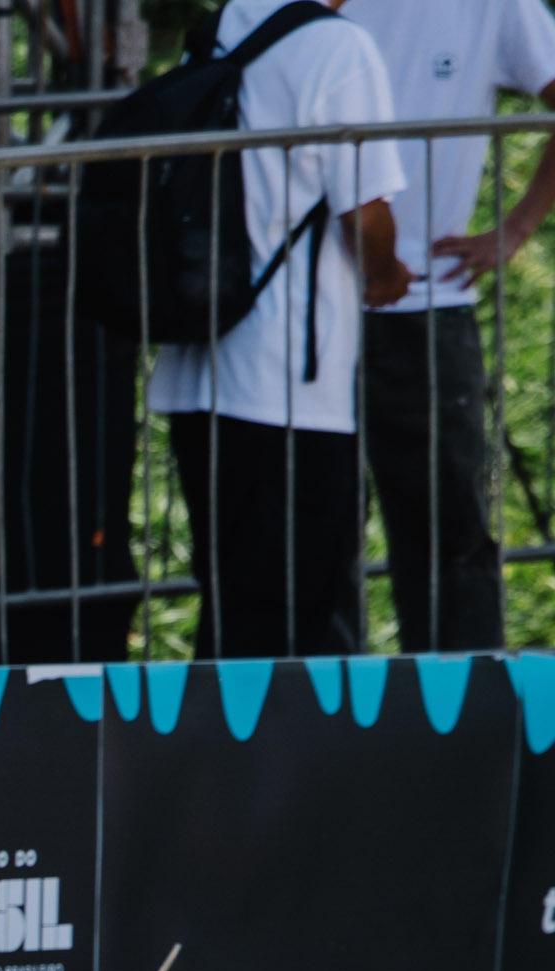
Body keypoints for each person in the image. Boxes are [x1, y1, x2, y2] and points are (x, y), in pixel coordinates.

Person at [147, 0, 408, 661]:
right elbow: (366, 210)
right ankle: (268, 764)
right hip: (290, 382)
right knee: (295, 616)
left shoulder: (220, 30)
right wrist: (385, 275)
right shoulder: (338, 48)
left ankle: (221, 757)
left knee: (232, 606)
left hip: (200, 368)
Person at [342, 0, 555, 653]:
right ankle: (321, 719)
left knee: (452, 531)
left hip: (426, 309)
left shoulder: (492, 3)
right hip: (312, 315)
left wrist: (515, 227)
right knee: (316, 535)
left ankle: (461, 722)